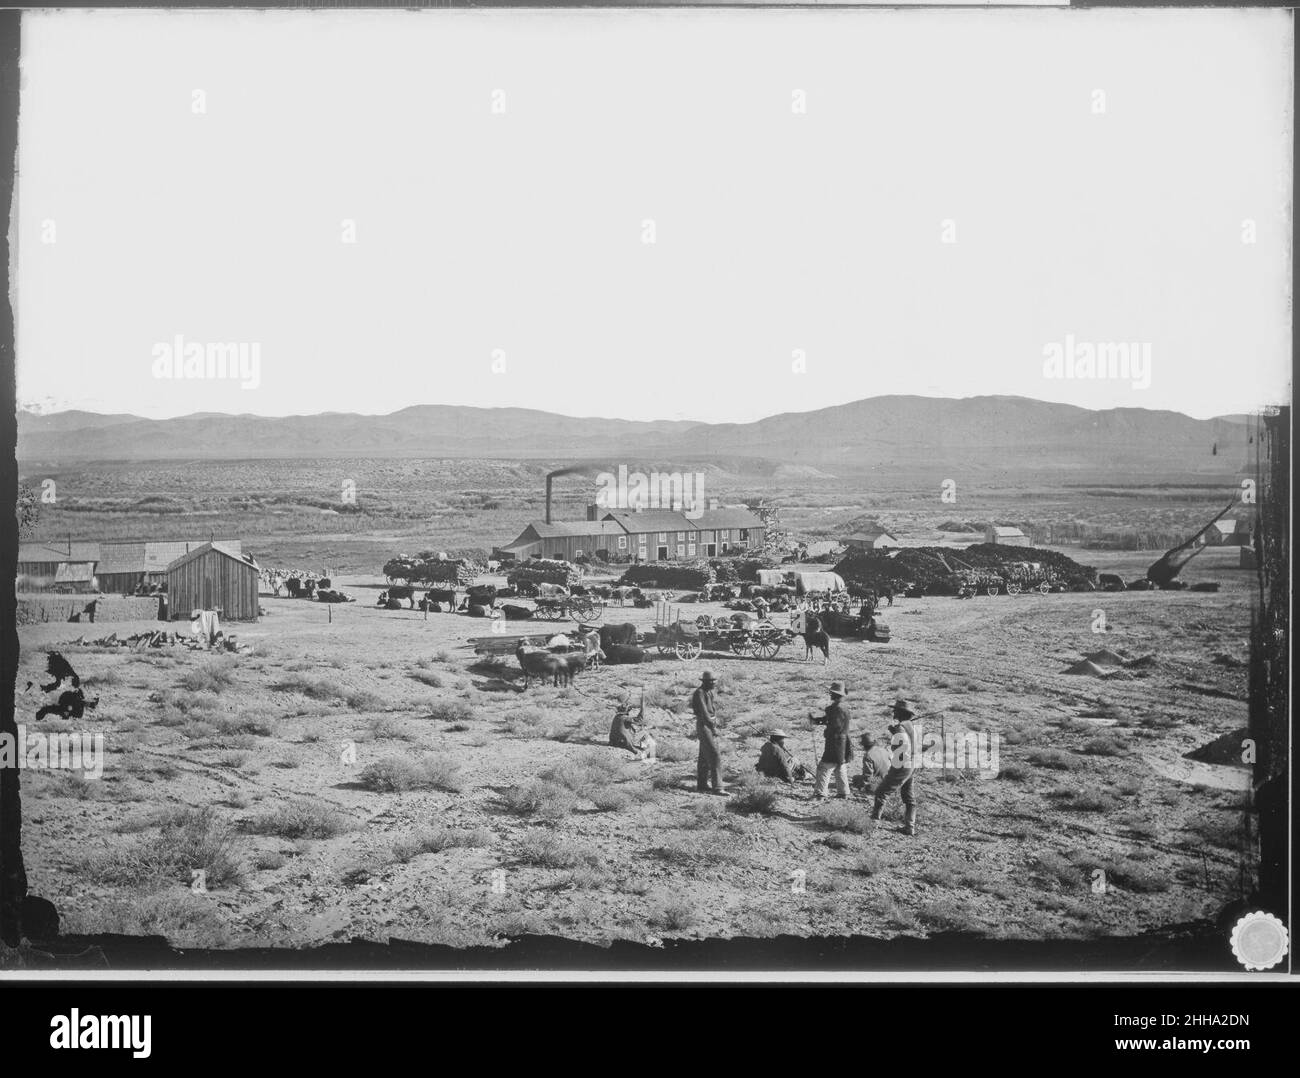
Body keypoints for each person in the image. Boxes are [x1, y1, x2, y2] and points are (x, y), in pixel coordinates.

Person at [873, 698, 921, 835]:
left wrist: (894, 733)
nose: (893, 712)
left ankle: (874, 822)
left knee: (881, 792)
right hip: (912, 764)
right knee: (909, 797)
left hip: (901, 764)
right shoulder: (911, 727)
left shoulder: (901, 727)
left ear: (899, 713)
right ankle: (909, 827)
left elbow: (899, 748)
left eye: (895, 710)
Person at [808, 681, 854, 799]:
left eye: (831, 692)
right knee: (840, 765)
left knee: (825, 766)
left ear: (836, 694)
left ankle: (820, 793)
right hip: (843, 742)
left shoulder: (835, 708)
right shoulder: (843, 708)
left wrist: (826, 731)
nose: (830, 694)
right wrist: (816, 720)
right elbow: (828, 720)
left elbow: (835, 726)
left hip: (834, 742)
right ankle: (843, 792)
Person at [691, 671, 726, 795]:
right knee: (714, 755)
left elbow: (712, 711)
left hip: (708, 725)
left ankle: (702, 784)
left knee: (704, 757)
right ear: (705, 682)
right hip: (704, 726)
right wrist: (713, 727)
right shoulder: (699, 693)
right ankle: (718, 787)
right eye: (711, 682)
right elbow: (705, 713)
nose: (714, 684)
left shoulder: (708, 693)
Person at [609, 695, 656, 762]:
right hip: (623, 743)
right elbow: (640, 719)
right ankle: (644, 752)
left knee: (638, 730)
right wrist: (643, 708)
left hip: (613, 742)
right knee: (644, 733)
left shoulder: (617, 717)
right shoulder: (625, 718)